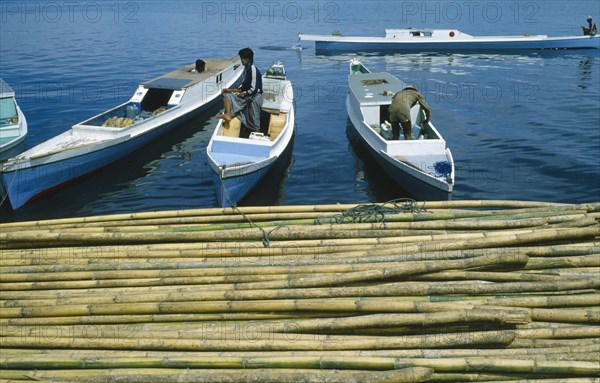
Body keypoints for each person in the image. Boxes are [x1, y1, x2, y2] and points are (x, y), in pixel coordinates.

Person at [217, 48, 263, 133]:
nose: (242, 60)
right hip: (248, 96)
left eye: (244, 58)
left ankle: (256, 131)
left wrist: (243, 94)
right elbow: (242, 88)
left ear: (249, 59)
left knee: (254, 123)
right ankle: (228, 115)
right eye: (241, 58)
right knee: (226, 94)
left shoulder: (253, 69)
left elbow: (254, 88)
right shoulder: (246, 70)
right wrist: (229, 90)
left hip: (255, 97)